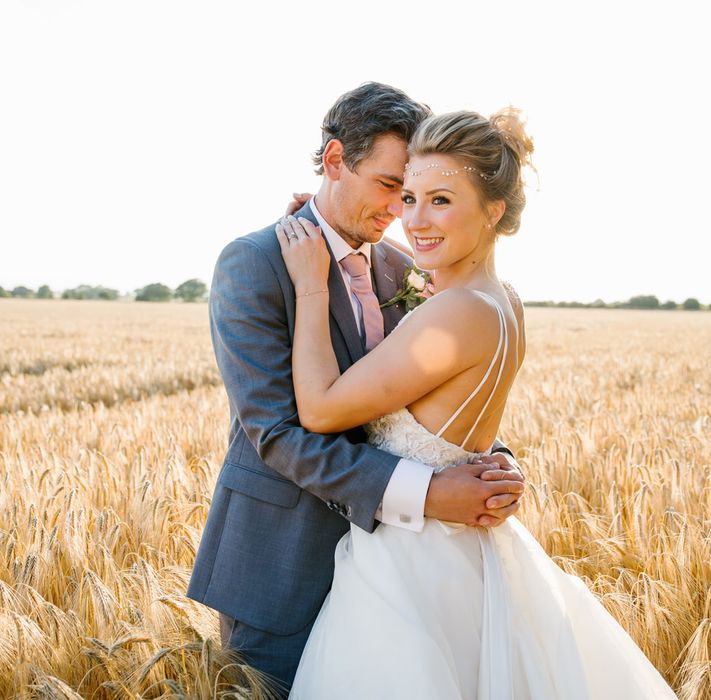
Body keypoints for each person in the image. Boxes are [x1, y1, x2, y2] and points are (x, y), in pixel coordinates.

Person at [277, 109, 678, 699]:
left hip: (411, 566)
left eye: (440, 200)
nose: (413, 221)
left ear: (493, 211)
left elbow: (319, 409)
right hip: (462, 551)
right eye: (408, 197)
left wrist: (312, 285)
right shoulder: (501, 300)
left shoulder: (456, 312)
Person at [186, 83, 526, 697]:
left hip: (397, 579)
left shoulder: (405, 268)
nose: (402, 209)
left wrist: (486, 461)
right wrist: (429, 493)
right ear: (336, 160)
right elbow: (279, 434)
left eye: (417, 191)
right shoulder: (253, 263)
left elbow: (425, 396)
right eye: (391, 185)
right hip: (283, 571)